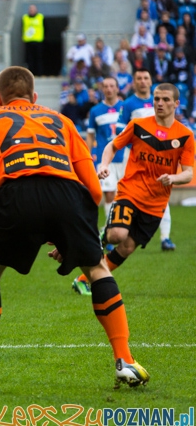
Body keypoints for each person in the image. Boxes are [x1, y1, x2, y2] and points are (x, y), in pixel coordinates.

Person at [0, 66, 148, 391]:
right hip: (67, 194)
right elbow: (90, 179)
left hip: (14, 193)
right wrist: (77, 234)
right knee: (98, 269)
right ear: (34, 97)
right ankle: (125, 360)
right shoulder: (61, 120)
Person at [97, 83, 193, 274]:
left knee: (127, 247)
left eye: (165, 99)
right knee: (117, 234)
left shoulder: (186, 136)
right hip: (130, 191)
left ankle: (86, 279)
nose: (159, 103)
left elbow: (189, 172)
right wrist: (104, 164)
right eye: (156, 98)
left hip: (155, 203)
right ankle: (102, 235)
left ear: (176, 104)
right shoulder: (138, 125)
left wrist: (173, 177)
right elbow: (113, 146)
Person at [71, 76, 124, 295]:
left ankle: (108, 231)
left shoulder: (125, 107)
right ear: (102, 89)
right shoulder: (96, 111)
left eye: (112, 86)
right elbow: (91, 135)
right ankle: (109, 230)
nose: (109, 89)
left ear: (117, 88)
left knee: (121, 195)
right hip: (107, 159)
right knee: (109, 193)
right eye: (106, 86)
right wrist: (91, 153)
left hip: (126, 157)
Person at [117, 69, 176, 251]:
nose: (142, 81)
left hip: (162, 160)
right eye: (139, 79)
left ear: (151, 82)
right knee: (132, 196)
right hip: (138, 161)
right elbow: (121, 133)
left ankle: (165, 238)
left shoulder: (160, 102)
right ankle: (120, 232)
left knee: (162, 197)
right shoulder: (128, 105)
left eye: (146, 78)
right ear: (134, 82)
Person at [22, 5, 44, 75]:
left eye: (33, 9)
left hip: (38, 41)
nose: (31, 11)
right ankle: (30, 74)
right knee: (29, 59)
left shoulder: (40, 17)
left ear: (36, 10)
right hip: (28, 41)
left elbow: (45, 28)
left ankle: (39, 73)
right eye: (30, 9)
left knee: (39, 59)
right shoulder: (25, 18)